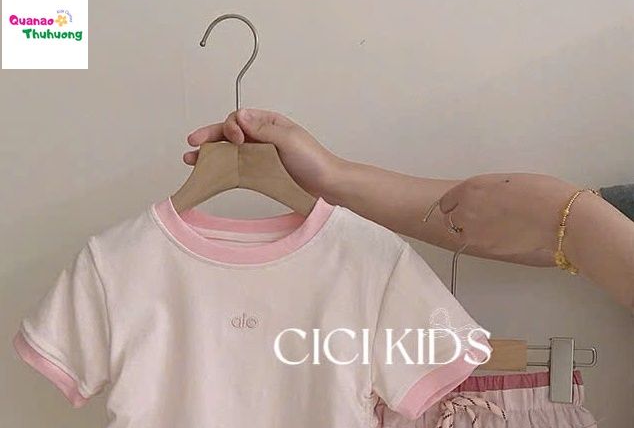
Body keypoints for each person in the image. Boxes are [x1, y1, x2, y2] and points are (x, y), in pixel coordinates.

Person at [183, 109, 634, 310]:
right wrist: (332, 175)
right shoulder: (139, 255)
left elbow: (565, 230)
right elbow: (484, 218)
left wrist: (572, 218)